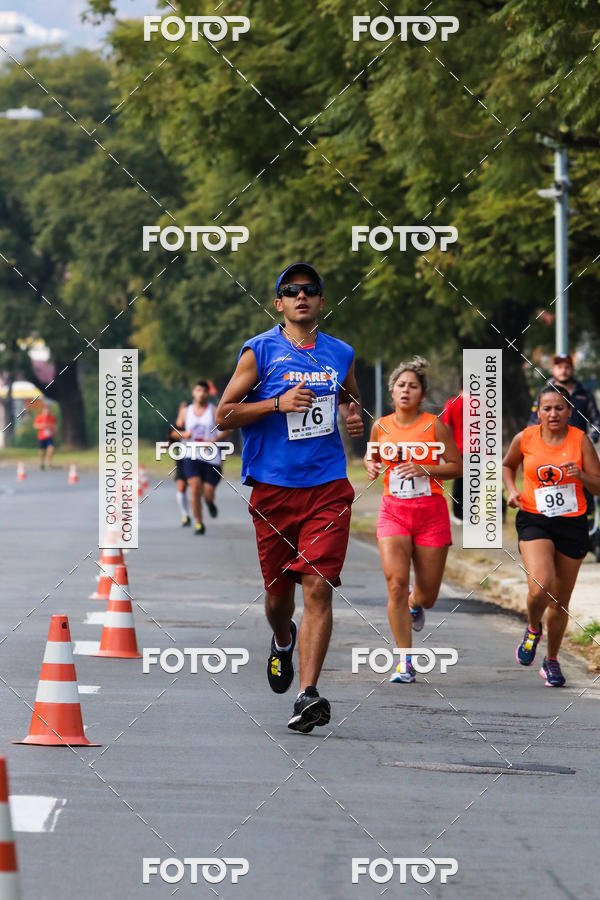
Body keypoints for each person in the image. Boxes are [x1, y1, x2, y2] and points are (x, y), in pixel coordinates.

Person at [216, 262, 364, 732]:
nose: (302, 296)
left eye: (310, 290)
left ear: (321, 301)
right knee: (279, 598)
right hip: (274, 491)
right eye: (291, 291)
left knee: (319, 586)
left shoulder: (341, 353)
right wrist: (277, 403)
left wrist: (353, 417)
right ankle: (282, 638)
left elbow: (350, 398)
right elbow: (224, 414)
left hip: (327, 488)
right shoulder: (258, 352)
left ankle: (308, 693)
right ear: (278, 303)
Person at [364, 357, 462, 683]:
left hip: (431, 513)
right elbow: (372, 455)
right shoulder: (381, 426)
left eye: (413, 386)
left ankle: (415, 603)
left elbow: (456, 466)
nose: (406, 390)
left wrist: (425, 468)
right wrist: (370, 465)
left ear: (422, 394)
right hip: (393, 511)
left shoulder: (433, 425)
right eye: (401, 385)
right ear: (392, 390)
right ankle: (404, 661)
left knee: (428, 595)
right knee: (394, 584)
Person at [503, 383, 600, 686]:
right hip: (535, 518)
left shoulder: (580, 440)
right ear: (539, 411)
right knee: (541, 585)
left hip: (572, 523)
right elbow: (508, 465)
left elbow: (598, 485)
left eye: (560, 407)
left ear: (570, 411)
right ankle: (533, 628)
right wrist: (512, 491)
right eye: (547, 408)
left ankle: (552, 660)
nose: (554, 413)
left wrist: (580, 475)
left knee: (560, 600)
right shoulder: (526, 437)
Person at [179, 381, 230, 534]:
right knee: (194, 488)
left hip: (211, 457)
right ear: (193, 392)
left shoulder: (214, 411)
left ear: (208, 394)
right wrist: (183, 434)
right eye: (198, 390)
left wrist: (213, 441)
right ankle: (199, 523)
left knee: (208, 493)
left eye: (204, 391)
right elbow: (175, 430)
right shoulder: (185, 411)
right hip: (191, 455)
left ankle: (210, 503)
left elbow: (227, 430)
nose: (201, 393)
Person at [528, 354, 600, 443]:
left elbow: (596, 421)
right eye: (559, 367)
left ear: (572, 369)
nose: (563, 371)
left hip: (577, 447)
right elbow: (533, 421)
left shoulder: (584, 394)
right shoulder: (543, 393)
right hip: (549, 447)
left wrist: (589, 440)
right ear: (553, 370)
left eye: (567, 367)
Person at [166, 401, 191, 526]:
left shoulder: (196, 424)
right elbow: (171, 438)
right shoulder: (176, 426)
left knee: (196, 488)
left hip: (198, 460)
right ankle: (185, 515)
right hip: (181, 461)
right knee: (181, 487)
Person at [441, 380, 463, 522]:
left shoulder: (452, 403)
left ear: (459, 386)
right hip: (476, 450)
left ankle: (458, 514)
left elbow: (446, 427)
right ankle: (470, 514)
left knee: (459, 481)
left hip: (458, 448)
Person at [33, 403, 57, 469]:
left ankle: (49, 463)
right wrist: (41, 426)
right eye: (45, 410)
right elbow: (35, 426)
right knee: (42, 451)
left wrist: (54, 431)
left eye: (48, 410)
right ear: (43, 410)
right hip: (42, 437)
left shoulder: (52, 417)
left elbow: (55, 426)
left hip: (50, 437)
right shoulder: (40, 417)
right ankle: (41, 462)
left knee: (51, 449)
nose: (47, 411)